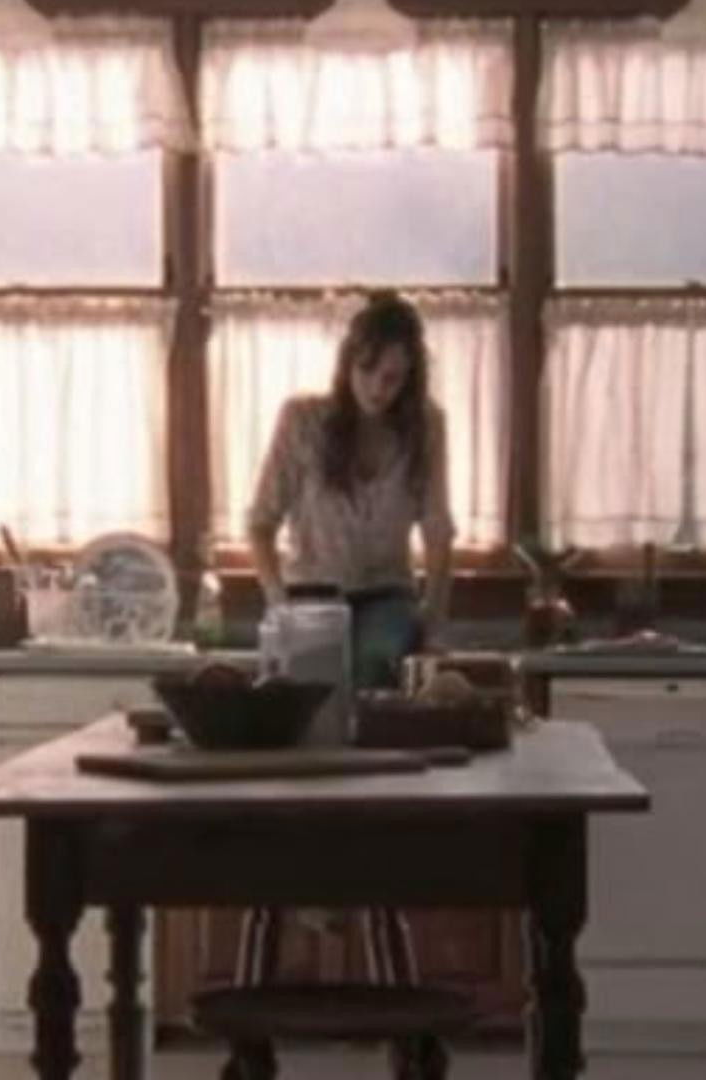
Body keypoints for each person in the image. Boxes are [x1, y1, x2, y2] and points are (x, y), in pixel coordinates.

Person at [233, 290, 456, 1079]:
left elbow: (439, 531)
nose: (378, 389)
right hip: (310, 597)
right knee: (298, 734)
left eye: (393, 377)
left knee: (369, 690)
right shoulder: (303, 423)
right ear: (348, 363)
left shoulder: (425, 427)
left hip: (388, 599)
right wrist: (278, 605)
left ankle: (347, 876)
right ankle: (311, 881)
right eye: (368, 371)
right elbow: (258, 523)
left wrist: (433, 620)